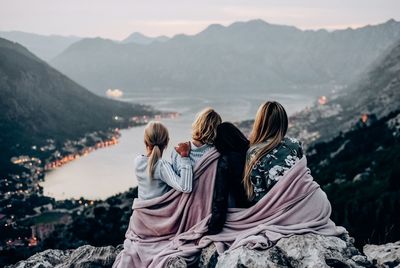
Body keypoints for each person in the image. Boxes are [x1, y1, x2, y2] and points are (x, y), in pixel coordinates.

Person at [243, 101, 303, 205]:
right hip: (297, 203)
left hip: (266, 209)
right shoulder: (295, 145)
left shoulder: (253, 151)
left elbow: (252, 191)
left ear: (259, 123)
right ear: (283, 122)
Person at [135, 121, 193, 200]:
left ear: (145, 141)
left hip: (140, 211)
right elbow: (186, 187)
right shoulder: (161, 166)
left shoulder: (137, 161)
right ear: (167, 141)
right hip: (158, 212)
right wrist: (184, 156)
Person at [171, 107, 222, 173]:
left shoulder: (178, 151)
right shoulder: (217, 154)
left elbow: (174, 180)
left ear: (197, 124)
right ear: (217, 130)